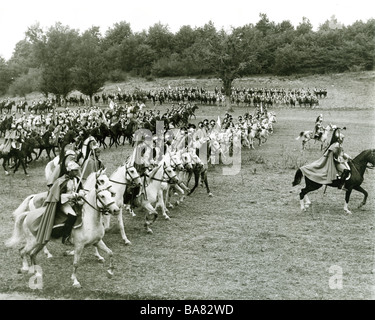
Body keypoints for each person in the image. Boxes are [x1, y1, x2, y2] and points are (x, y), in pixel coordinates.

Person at [36, 161, 84, 245]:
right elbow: (59, 195)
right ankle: (65, 237)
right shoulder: (61, 181)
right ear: (70, 171)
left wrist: (81, 192)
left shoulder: (77, 179)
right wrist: (73, 195)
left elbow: (80, 188)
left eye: (77, 170)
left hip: (75, 201)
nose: (77, 172)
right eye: (75, 170)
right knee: (72, 216)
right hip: (64, 203)